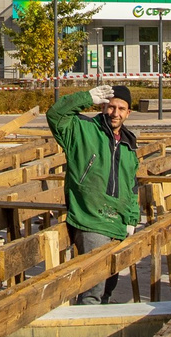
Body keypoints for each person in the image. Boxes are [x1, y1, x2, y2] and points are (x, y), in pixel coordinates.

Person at [49, 81, 143, 304]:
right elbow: (55, 115)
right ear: (102, 107)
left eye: (121, 109)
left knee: (109, 285)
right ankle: (83, 333)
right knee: (93, 288)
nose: (115, 113)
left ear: (128, 113)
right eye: (111, 107)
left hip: (117, 224)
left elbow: (131, 186)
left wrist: (131, 219)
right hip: (90, 220)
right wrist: (85, 98)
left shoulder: (129, 146)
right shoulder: (83, 130)